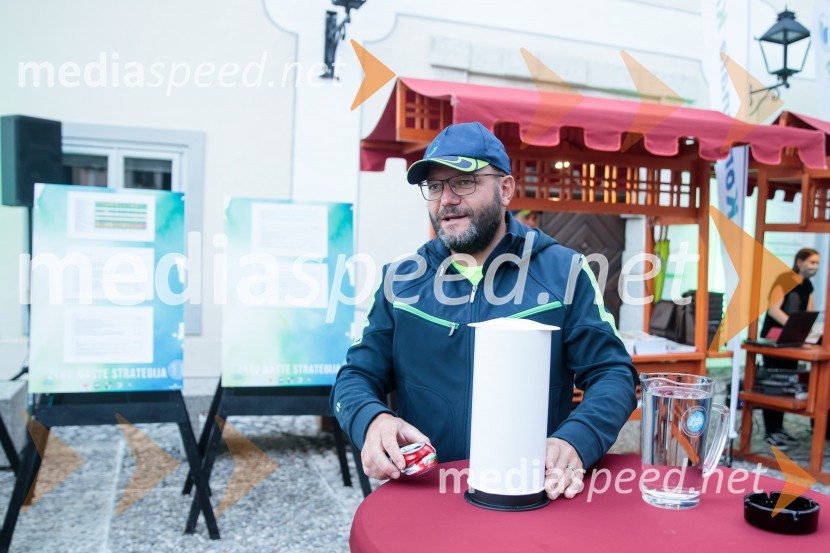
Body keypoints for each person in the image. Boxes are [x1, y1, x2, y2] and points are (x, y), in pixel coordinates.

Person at [331, 122, 637, 501]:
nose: (446, 199)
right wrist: (372, 421)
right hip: (427, 493)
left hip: (532, 493)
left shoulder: (565, 273)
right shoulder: (400, 281)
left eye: (463, 181)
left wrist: (576, 440)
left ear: (505, 189)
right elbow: (355, 376)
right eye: (436, 186)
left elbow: (614, 375)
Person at [759, 248, 820, 450]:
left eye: (817, 263)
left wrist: (806, 331)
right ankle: (771, 431)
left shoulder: (808, 285)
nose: (815, 267)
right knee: (773, 383)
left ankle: (779, 428)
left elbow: (809, 312)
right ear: (800, 262)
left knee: (786, 383)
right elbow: (774, 309)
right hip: (774, 338)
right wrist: (793, 325)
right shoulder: (784, 279)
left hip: (792, 340)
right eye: (812, 262)